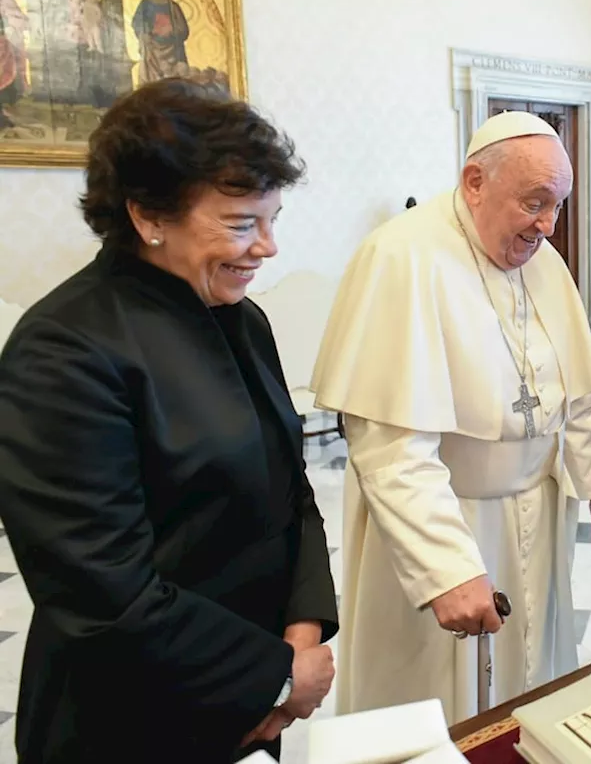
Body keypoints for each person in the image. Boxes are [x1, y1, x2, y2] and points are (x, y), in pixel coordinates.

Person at [0, 78, 339, 762]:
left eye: (272, 219)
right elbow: (103, 592)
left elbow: (291, 489)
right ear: (149, 215)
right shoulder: (63, 350)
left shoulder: (244, 319)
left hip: (252, 688)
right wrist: (273, 674)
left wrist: (301, 635)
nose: (267, 247)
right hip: (129, 715)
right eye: (242, 223)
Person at [311, 110, 591, 724]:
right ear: (475, 181)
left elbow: (574, 396)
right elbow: (390, 449)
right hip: (448, 518)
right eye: (535, 202)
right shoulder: (400, 258)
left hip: (535, 508)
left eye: (558, 205)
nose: (548, 226)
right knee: (438, 701)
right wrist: (445, 568)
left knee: (534, 672)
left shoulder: (541, 257)